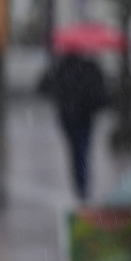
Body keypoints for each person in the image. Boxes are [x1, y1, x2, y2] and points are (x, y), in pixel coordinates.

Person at [39, 51, 111, 201]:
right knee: (82, 149)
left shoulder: (62, 67)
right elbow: (102, 93)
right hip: (83, 117)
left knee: (76, 150)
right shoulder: (89, 67)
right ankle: (82, 183)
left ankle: (80, 183)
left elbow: (43, 87)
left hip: (70, 117)